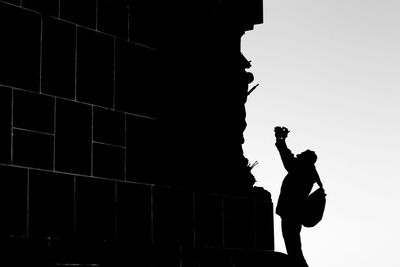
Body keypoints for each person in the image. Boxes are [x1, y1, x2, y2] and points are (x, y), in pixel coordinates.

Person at [274, 126, 323, 267]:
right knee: (294, 248)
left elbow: (287, 158)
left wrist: (281, 140)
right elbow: (289, 157)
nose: (297, 155)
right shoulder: (306, 171)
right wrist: (280, 140)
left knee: (294, 249)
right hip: (292, 214)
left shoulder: (301, 171)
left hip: (291, 214)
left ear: (305, 161)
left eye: (300, 155)